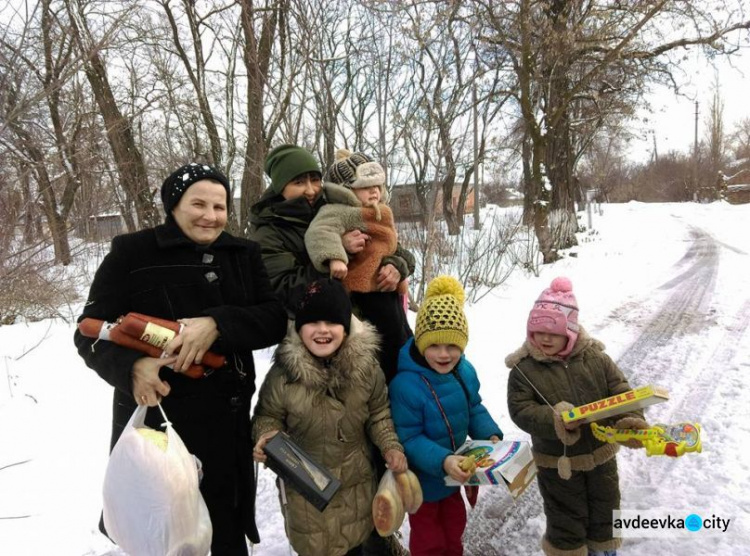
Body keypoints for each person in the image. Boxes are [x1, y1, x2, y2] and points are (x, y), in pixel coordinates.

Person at [74, 162, 287, 555]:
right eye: (198, 204)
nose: (211, 216)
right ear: (174, 205)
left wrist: (217, 324)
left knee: (224, 529)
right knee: (166, 532)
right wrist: (132, 368)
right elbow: (89, 330)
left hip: (226, 423)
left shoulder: (243, 254)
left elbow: (273, 320)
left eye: (219, 206)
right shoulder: (132, 253)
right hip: (159, 427)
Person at [252, 278, 407, 556]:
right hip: (307, 501)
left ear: (346, 328)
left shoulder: (367, 370)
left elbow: (379, 415)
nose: (322, 330)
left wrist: (390, 445)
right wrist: (266, 434)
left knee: (356, 546)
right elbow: (267, 415)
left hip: (356, 490)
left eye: (332, 322)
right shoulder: (283, 376)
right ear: (299, 328)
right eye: (313, 322)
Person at [505, 277, 649, 556]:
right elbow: (520, 410)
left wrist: (631, 420)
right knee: (566, 522)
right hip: (560, 464)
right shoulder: (524, 370)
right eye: (538, 331)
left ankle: (605, 553)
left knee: (606, 515)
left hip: (601, 456)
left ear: (569, 331)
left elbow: (621, 391)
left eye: (553, 332)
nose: (545, 338)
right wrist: (554, 419)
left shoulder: (596, 358)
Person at [389, 275, 503, 556]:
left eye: (452, 345)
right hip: (423, 485)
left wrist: (489, 434)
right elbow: (410, 437)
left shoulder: (464, 371)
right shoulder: (405, 385)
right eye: (434, 345)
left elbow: (473, 406)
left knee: (455, 530)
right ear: (420, 343)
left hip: (456, 477)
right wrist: (443, 460)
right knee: (429, 541)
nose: (443, 354)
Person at [249, 144, 414, 314]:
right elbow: (284, 292)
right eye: (298, 182)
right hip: (314, 326)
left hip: (367, 311)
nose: (311, 190)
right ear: (280, 186)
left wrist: (398, 265)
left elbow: (388, 244)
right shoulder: (268, 231)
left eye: (314, 179)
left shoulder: (336, 204)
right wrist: (337, 251)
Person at [305, 148, 413, 383]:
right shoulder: (339, 211)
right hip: (362, 289)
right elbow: (320, 232)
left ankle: (405, 371)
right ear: (345, 189)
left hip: (387, 288)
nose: (374, 191)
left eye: (377, 185)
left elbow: (395, 246)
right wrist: (335, 256)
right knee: (387, 338)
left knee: (402, 334)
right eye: (365, 186)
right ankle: (395, 374)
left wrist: (400, 264)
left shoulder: (379, 211)